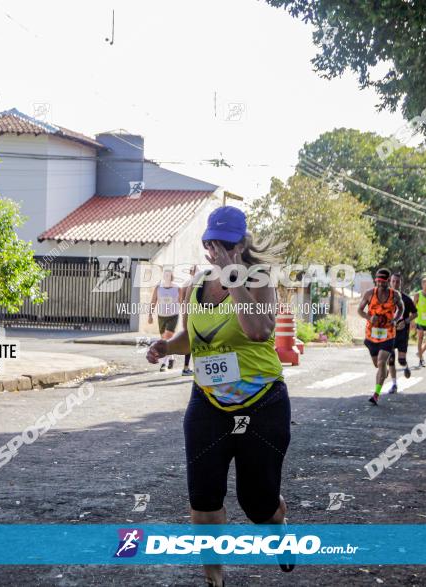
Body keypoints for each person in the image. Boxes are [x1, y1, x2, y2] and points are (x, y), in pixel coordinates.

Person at [145, 206, 293, 586]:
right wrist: (165, 347)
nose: (216, 250)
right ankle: (215, 580)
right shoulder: (194, 285)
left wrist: (235, 279)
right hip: (208, 404)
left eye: (225, 244)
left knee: (258, 505)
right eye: (210, 243)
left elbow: (258, 330)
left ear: (242, 244)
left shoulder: (260, 278)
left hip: (262, 404)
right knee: (204, 500)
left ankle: (278, 529)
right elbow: (191, 338)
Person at [359, 268, 404, 405]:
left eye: (383, 282)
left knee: (381, 362)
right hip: (371, 335)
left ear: (388, 282)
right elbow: (360, 310)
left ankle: (376, 394)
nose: (380, 285)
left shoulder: (395, 295)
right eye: (378, 282)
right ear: (375, 281)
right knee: (377, 365)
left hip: (388, 334)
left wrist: (395, 320)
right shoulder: (369, 294)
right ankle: (383, 373)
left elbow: (401, 309)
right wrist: (368, 317)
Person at [388, 272, 417, 392]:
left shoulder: (406, 298)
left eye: (397, 281)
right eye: (393, 281)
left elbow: (415, 313)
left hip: (402, 333)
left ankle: (405, 366)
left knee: (400, 360)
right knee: (390, 359)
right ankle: (394, 385)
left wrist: (405, 321)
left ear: (401, 283)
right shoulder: (385, 297)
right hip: (389, 333)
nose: (395, 283)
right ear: (390, 281)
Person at [149, 269, 181, 371]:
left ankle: (164, 364)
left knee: (166, 339)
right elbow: (153, 301)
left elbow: (182, 302)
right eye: (165, 275)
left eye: (169, 275)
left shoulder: (177, 288)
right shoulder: (159, 288)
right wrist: (150, 315)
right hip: (161, 316)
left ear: (172, 276)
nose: (167, 277)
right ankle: (171, 358)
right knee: (164, 339)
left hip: (173, 316)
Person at [179, 265, 197, 376]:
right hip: (196, 315)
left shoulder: (186, 283)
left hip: (189, 314)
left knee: (190, 341)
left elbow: (181, 300)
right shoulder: (198, 281)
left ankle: (186, 367)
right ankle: (187, 368)